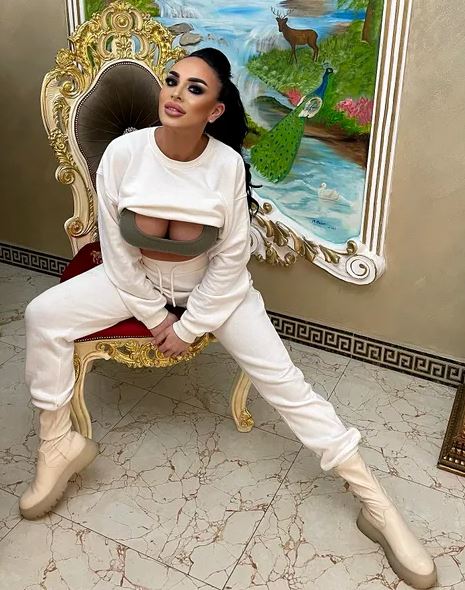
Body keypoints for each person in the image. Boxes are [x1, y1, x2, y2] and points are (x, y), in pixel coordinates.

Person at [21, 48, 436, 589]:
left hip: (216, 292)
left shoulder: (226, 165)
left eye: (194, 88)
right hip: (137, 282)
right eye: (172, 81)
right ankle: (59, 445)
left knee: (287, 385)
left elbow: (230, 260)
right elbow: (118, 255)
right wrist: (155, 317)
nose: (176, 93)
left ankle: (376, 505)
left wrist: (189, 327)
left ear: (214, 110)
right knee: (42, 314)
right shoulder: (124, 153)